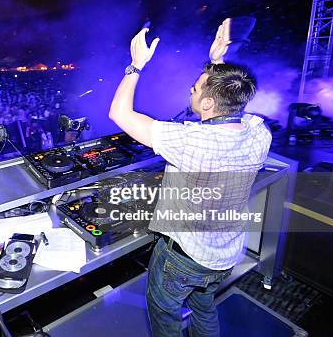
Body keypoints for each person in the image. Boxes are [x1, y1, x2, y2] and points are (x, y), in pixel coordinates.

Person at [109, 20, 271, 337]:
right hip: (224, 255)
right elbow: (232, 102)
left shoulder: (191, 140)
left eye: (196, 89)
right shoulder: (258, 133)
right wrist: (217, 64)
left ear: (208, 103)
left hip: (182, 258)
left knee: (165, 317)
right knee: (204, 307)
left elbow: (120, 114)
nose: (191, 90)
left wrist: (135, 66)